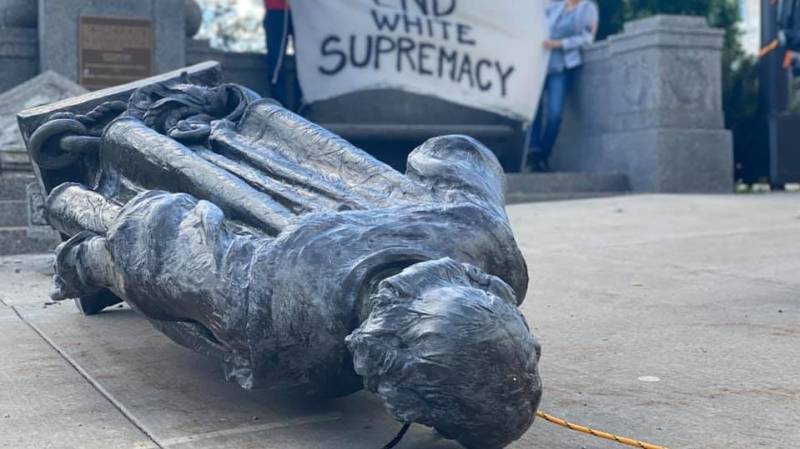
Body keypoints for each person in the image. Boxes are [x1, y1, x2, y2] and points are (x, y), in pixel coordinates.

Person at [527, 0, 598, 172]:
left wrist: (560, 44)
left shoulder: (587, 9)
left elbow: (587, 39)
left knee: (555, 115)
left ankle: (542, 154)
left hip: (561, 69)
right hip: (541, 66)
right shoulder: (555, 7)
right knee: (533, 111)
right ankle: (534, 151)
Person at [263, 0, 293, 105]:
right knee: (276, 61)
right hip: (277, 9)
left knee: (306, 62)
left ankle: (302, 107)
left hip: (304, 12)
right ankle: (279, 105)